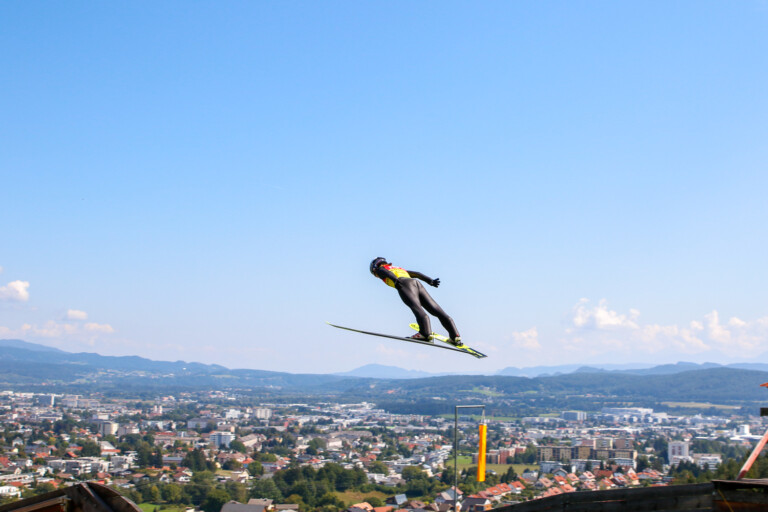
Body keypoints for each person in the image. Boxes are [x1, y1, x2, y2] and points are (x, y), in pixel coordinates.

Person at [369, 257, 461, 346]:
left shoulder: (379, 269)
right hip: (416, 283)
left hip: (403, 284)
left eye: (374, 274)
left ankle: (425, 333)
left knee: (416, 308)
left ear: (375, 267)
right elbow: (417, 274)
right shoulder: (398, 268)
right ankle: (455, 336)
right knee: (436, 310)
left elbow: (384, 272)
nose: (376, 275)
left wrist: (395, 280)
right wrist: (430, 281)